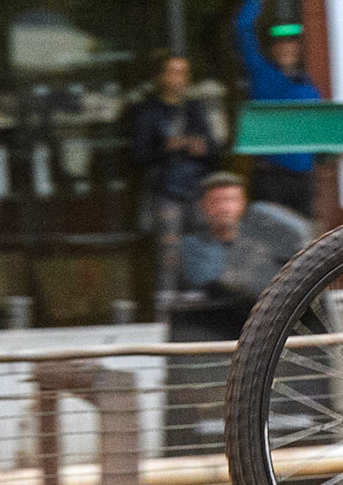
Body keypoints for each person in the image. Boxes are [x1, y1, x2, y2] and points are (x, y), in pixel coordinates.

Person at [176, 172, 310, 324]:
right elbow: (210, 284)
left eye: (231, 200)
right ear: (203, 205)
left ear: (243, 204)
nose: (224, 208)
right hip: (208, 325)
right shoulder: (191, 246)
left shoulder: (261, 244)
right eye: (216, 201)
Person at [233, 0, 322, 216]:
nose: (286, 48)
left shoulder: (309, 87)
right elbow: (242, 27)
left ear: (298, 48)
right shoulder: (261, 73)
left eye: (291, 43)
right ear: (272, 49)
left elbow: (320, 131)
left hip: (303, 178)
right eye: (280, 44)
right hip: (271, 175)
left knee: (304, 234)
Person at [129, 55, 218, 227]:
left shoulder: (195, 108)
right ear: (161, 76)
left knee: (201, 237)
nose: (178, 79)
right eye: (173, 72)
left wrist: (203, 148)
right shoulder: (149, 111)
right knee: (170, 239)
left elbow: (214, 149)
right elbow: (138, 155)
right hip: (165, 190)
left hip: (197, 188)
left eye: (183, 73)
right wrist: (166, 147)